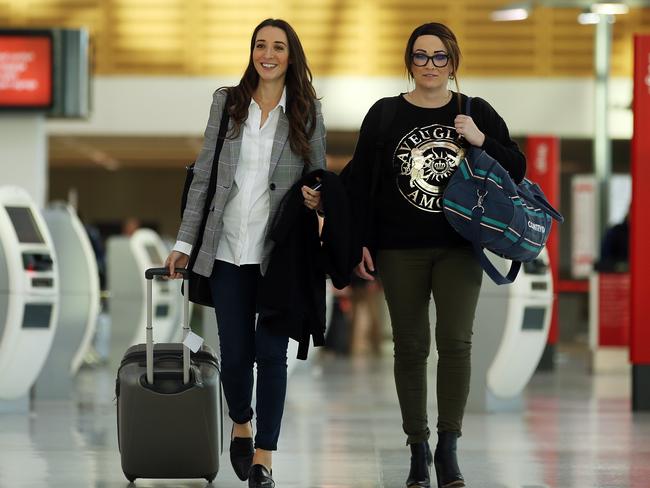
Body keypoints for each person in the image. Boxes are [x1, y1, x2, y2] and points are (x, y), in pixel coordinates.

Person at [343, 22, 526, 488]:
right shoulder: (384, 114)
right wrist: (358, 239)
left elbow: (517, 169)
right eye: (421, 57)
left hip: (459, 247)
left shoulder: (474, 110)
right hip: (398, 248)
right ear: (409, 62)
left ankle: (448, 447)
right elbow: (362, 180)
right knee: (409, 347)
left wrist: (481, 139)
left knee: (456, 343)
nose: (430, 65)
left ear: (453, 63)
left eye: (439, 57)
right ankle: (417, 446)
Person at [164, 18, 325, 488]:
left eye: (278, 47)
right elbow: (204, 177)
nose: (268, 54)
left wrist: (317, 197)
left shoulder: (307, 111)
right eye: (260, 45)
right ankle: (241, 423)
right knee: (235, 355)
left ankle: (263, 460)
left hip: (279, 256)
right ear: (252, 51)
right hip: (228, 249)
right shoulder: (227, 102)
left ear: (291, 56)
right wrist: (182, 243)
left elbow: (318, 175)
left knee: (272, 357)